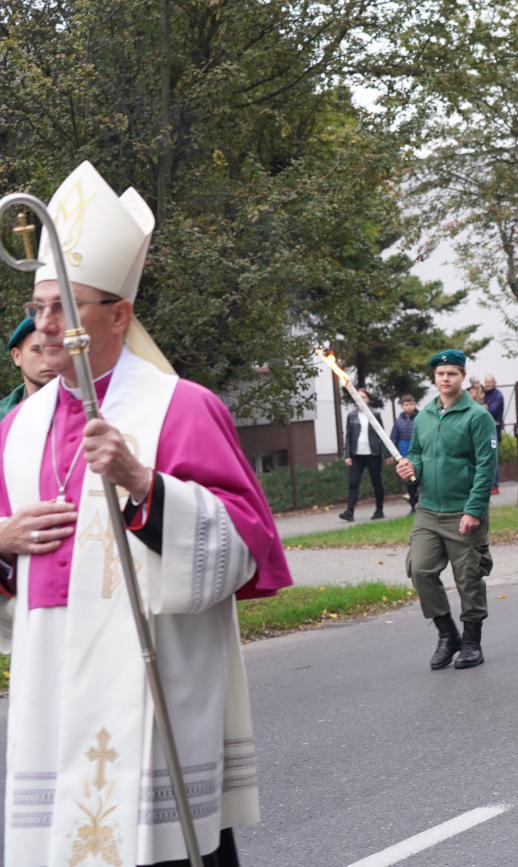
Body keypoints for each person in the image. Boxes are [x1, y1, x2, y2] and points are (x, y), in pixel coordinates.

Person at [0, 161, 292, 867]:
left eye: (65, 306)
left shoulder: (182, 406)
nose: (44, 327)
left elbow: (248, 545)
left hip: (152, 673)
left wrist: (142, 482)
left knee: (167, 847)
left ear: (120, 314)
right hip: (49, 683)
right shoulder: (17, 425)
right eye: (39, 307)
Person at [396, 349, 498, 671]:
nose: (445, 378)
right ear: (434, 378)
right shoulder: (424, 415)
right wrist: (410, 467)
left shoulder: (477, 416)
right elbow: (417, 455)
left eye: (452, 373)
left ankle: (471, 642)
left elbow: (486, 467)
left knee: (468, 577)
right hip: (428, 510)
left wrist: (474, 509)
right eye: (440, 374)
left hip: (463, 511)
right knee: (421, 570)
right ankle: (447, 634)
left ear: (462, 377)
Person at [340, 387, 386, 522]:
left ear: (368, 399)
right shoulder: (352, 415)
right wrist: (347, 455)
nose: (361, 399)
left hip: (373, 454)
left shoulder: (375, 414)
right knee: (353, 483)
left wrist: (388, 454)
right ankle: (349, 511)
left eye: (364, 397)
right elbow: (348, 436)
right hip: (356, 455)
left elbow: (381, 435)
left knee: (376, 482)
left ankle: (379, 510)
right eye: (358, 397)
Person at [0, 317, 55, 422]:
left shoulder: (91, 408)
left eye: (56, 349)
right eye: (38, 350)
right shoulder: (3, 419)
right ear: (17, 356)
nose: (49, 359)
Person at [390, 393, 420, 512]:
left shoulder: (420, 418)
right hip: (404, 456)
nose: (409, 407)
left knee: (419, 481)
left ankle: (421, 504)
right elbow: (393, 438)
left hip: (418, 455)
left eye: (411, 404)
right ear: (402, 406)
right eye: (406, 405)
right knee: (409, 482)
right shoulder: (398, 422)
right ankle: (413, 505)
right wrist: (389, 455)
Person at [482, 375, 506, 495]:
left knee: (492, 458)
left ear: (495, 383)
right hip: (482, 431)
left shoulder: (498, 396)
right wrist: (482, 406)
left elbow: (490, 412)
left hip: (493, 432)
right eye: (486, 382)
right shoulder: (484, 394)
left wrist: (482, 407)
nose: (488, 384)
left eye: (490, 382)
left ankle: (494, 486)